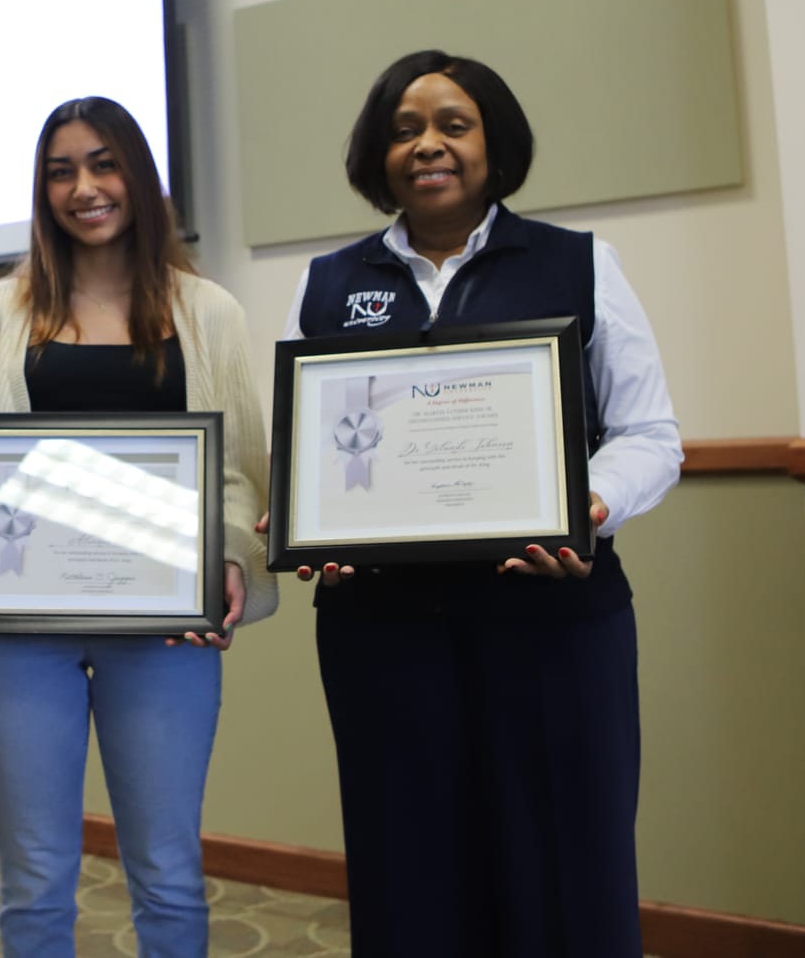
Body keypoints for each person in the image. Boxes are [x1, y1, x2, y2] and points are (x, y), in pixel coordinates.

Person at [283, 51, 682, 957]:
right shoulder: (326, 285)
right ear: (376, 157)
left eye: (452, 124)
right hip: (382, 633)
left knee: (566, 879)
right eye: (403, 129)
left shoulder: (580, 264)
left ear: (493, 142)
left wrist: (586, 505)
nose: (427, 144)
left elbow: (652, 436)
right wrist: (306, 525)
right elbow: (300, 447)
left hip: (553, 619)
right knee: (409, 877)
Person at [0, 96, 276, 957]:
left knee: (169, 871)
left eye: (104, 163)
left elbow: (238, 470)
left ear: (139, 177)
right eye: (61, 170)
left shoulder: (208, 311)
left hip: (160, 634)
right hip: (18, 634)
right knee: (35, 879)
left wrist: (226, 553)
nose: (84, 187)